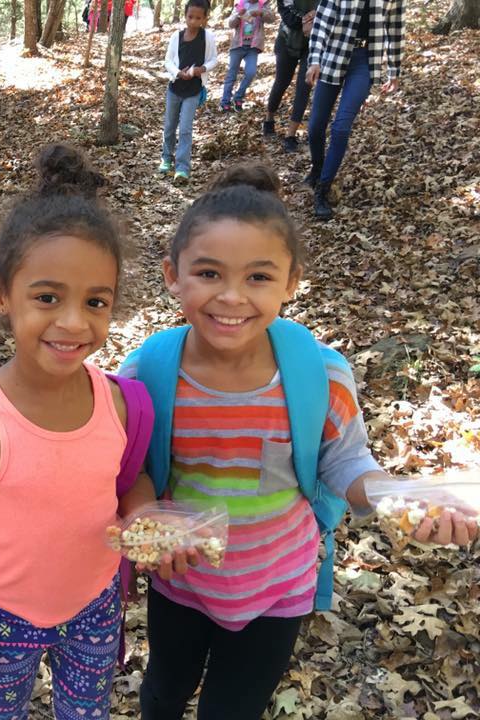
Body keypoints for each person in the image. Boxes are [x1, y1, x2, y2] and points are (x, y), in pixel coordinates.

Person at [120, 164, 478, 720]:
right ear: (173, 275)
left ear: (291, 282)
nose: (232, 297)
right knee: (164, 691)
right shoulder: (147, 373)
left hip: (277, 590)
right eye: (209, 273)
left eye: (259, 278)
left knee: (232, 710)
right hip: (181, 583)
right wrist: (147, 517)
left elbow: (348, 461)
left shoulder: (318, 374)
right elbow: (130, 468)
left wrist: (400, 497)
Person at [0, 144, 156, 719]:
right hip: (2, 615)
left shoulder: (122, 404)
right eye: (48, 297)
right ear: (1, 293)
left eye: (95, 301)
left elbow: (130, 480)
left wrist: (146, 516)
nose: (74, 322)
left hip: (96, 606)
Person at [305, 0, 404, 219]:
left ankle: (323, 188)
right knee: (315, 127)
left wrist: (394, 70)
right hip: (333, 56)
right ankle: (318, 168)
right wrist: (314, 60)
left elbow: (395, 28)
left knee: (341, 128)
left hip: (364, 62)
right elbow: (321, 24)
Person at [160, 0, 218, 183]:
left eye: (198, 18)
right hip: (175, 88)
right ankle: (166, 158)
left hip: (193, 91)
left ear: (204, 18)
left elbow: (213, 60)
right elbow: (168, 60)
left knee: (185, 129)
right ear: (185, 16)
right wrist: (178, 72)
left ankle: (182, 167)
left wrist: (202, 69)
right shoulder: (176, 37)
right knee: (170, 126)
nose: (193, 21)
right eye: (190, 17)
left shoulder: (207, 37)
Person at [262, 0, 317, 152]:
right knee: (282, 82)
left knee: (305, 86)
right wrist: (307, 20)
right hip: (287, 40)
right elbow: (287, 14)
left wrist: (316, 18)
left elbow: (330, 10)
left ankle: (290, 135)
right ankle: (269, 119)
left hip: (313, 44)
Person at [220, 0, 275, 112]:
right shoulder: (239, 4)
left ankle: (238, 96)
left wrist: (260, 13)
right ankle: (225, 101)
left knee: (251, 72)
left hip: (253, 47)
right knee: (231, 74)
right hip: (237, 45)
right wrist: (239, 15)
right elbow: (230, 24)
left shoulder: (262, 5)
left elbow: (272, 18)